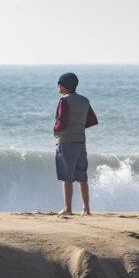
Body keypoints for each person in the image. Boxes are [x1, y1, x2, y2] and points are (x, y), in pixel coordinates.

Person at [53, 73, 98, 215]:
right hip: (80, 142)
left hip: (66, 142)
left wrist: (55, 129)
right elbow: (92, 120)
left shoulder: (64, 101)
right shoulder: (85, 100)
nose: (57, 86)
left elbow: (62, 122)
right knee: (82, 176)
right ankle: (86, 209)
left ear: (64, 86)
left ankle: (68, 209)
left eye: (59, 84)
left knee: (67, 177)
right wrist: (78, 127)